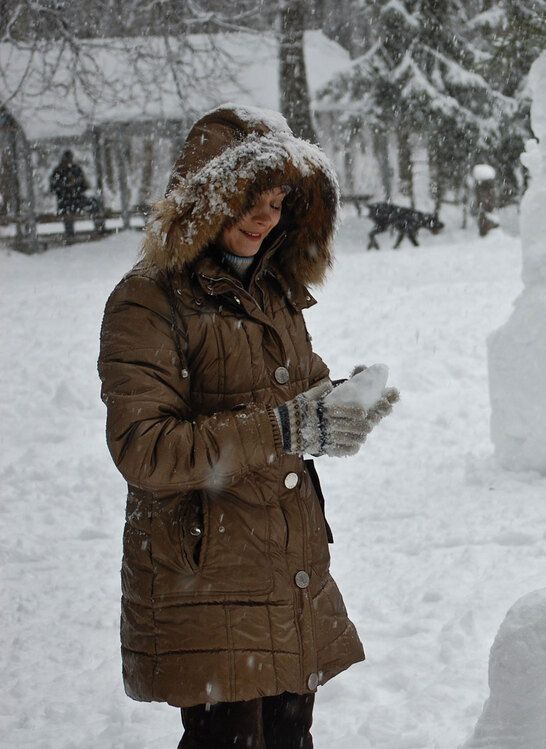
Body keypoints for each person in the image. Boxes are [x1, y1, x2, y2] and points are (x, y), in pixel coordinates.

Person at [98, 105, 397, 748]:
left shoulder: (273, 291)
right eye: (251, 201)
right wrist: (283, 429)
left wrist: (344, 406)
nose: (267, 217)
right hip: (206, 582)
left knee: (291, 739)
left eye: (279, 201)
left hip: (287, 572)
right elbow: (143, 448)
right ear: (205, 202)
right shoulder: (147, 300)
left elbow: (301, 397)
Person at [49, 149, 90, 235]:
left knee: (94, 204)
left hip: (77, 200)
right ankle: (69, 234)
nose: (69, 161)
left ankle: (100, 230)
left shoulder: (76, 169)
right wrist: (66, 186)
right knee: (67, 214)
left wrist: (77, 184)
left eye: (70, 159)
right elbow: (53, 188)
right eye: (67, 159)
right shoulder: (58, 171)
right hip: (65, 202)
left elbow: (84, 186)